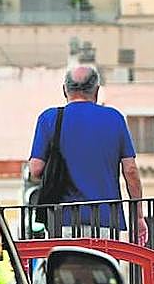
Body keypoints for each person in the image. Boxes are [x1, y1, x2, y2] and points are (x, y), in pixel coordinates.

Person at [28, 65, 147, 245]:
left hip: (62, 221)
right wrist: (138, 216)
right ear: (96, 91)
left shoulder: (49, 118)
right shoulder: (114, 118)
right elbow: (130, 170)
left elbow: (35, 169)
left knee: (65, 272)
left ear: (64, 90)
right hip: (106, 221)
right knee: (105, 272)